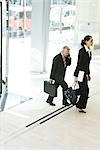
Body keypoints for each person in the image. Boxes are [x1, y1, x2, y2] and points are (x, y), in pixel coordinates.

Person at [74, 35, 93, 113]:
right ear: (86, 41)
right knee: (85, 90)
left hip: (85, 74)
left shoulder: (89, 51)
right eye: (91, 41)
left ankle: (79, 104)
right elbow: (79, 64)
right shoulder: (82, 51)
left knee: (84, 90)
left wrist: (88, 74)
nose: (92, 42)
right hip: (80, 73)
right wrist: (76, 75)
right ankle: (80, 106)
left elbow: (87, 65)